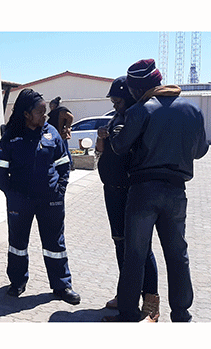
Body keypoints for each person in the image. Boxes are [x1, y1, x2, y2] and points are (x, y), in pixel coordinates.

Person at [107, 59, 209, 322]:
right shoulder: (193, 110)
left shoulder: (142, 109)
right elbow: (200, 151)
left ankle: (128, 313)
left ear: (137, 88)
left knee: (135, 255)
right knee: (177, 254)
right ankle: (181, 312)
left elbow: (119, 146)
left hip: (144, 191)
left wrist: (113, 131)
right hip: (177, 192)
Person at [0, 88, 80, 304]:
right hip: (20, 200)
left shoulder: (52, 133)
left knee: (55, 244)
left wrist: (60, 189)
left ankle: (62, 286)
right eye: (40, 113)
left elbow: (64, 164)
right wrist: (10, 192)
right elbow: (1, 169)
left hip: (50, 199)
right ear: (26, 114)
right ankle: (17, 282)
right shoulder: (11, 135)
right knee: (17, 244)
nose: (45, 116)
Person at [96, 76, 159, 321]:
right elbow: (104, 151)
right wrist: (103, 137)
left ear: (131, 97)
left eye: (118, 101)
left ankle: (150, 301)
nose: (115, 105)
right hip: (112, 191)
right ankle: (126, 296)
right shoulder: (118, 117)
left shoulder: (138, 117)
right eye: (113, 101)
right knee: (120, 243)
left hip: (131, 192)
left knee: (141, 248)